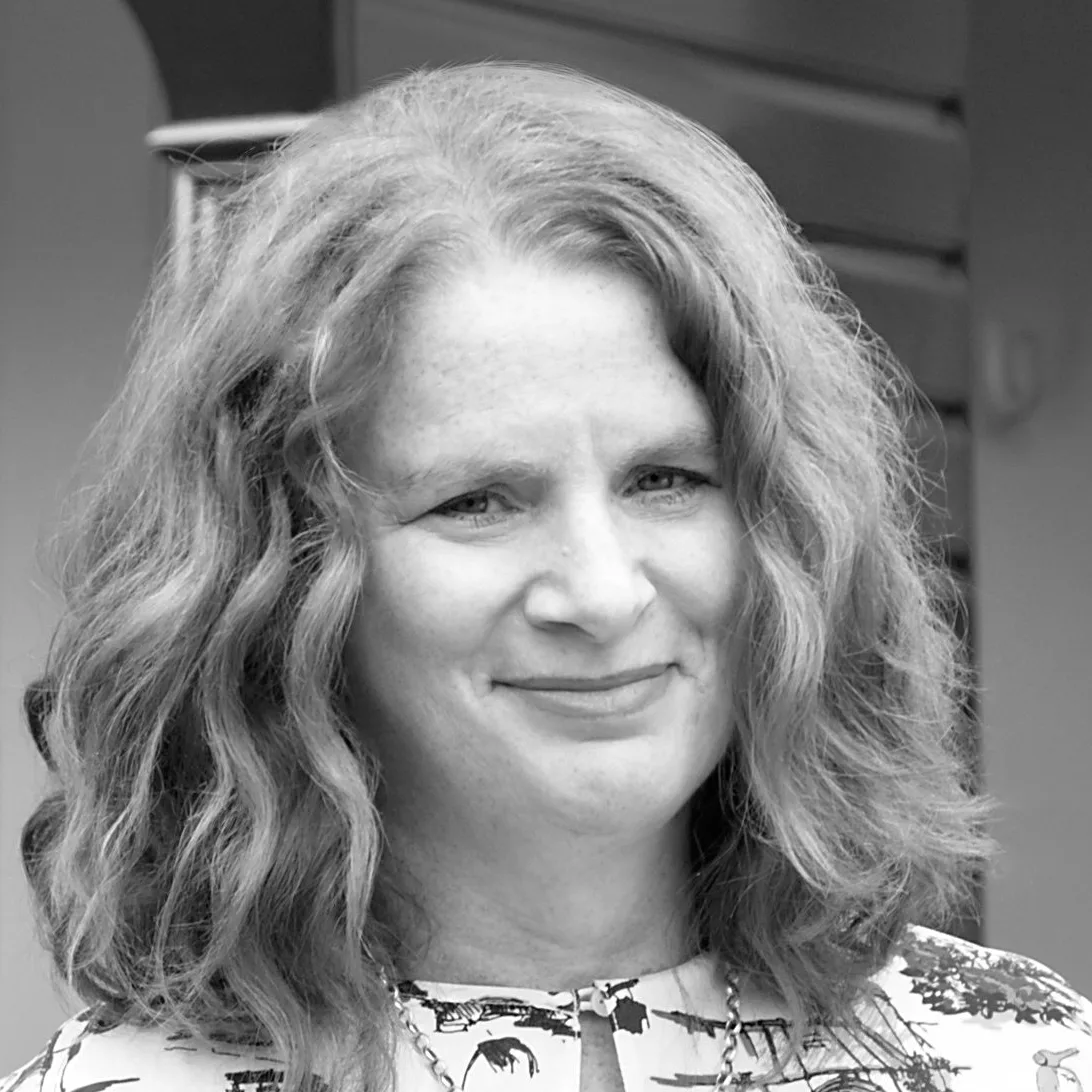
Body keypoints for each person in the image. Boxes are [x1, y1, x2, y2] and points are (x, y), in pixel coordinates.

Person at [2, 60, 1090, 1092]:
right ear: (284, 589)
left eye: (665, 479)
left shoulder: (1016, 1057)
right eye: (477, 501)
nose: (604, 592)